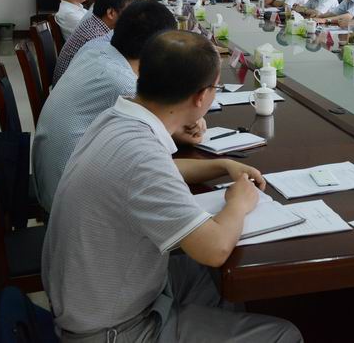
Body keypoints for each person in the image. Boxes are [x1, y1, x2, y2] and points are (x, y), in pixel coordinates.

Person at [42, 30, 302, 342]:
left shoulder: (117, 117)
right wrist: (239, 202)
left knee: (210, 281)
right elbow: (215, 248)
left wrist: (222, 165)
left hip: (90, 296)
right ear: (201, 97)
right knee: (284, 335)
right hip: (115, 329)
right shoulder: (141, 156)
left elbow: (158, 171)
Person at [33, 0, 206, 211]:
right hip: (70, 200)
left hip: (53, 178)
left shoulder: (96, 48)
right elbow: (174, 130)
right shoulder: (123, 83)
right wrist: (190, 124)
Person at [52, 0, 138, 85]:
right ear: (111, 13)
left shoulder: (95, 24)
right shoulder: (96, 38)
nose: (134, 17)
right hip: (70, 87)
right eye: (130, 11)